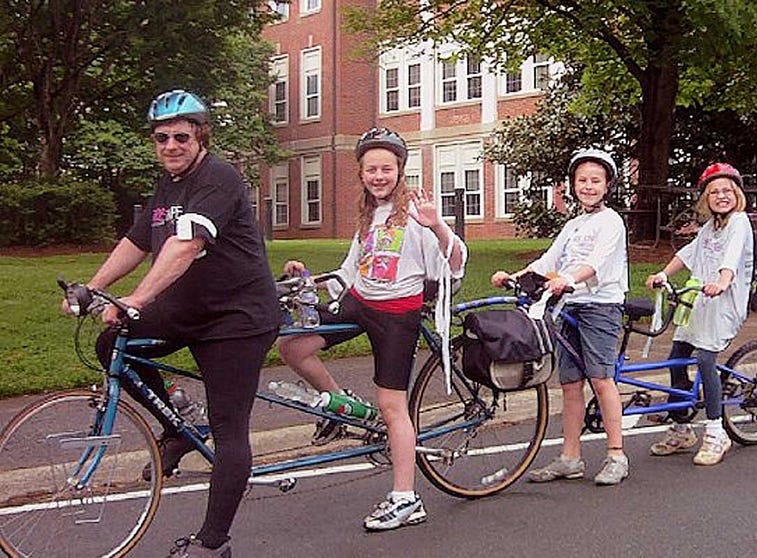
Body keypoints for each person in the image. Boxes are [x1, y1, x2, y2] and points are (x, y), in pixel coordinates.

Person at [65, 89, 280, 557]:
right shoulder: (168, 184)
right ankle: (179, 427)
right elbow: (138, 240)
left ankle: (212, 542)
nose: (170, 146)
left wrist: (138, 297)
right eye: (161, 138)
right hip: (189, 308)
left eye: (180, 136)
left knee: (229, 429)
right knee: (111, 346)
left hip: (237, 317)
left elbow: (186, 245)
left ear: (200, 136)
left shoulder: (218, 178)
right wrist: (92, 288)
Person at [277, 127, 466, 531]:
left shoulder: (417, 212)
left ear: (400, 171)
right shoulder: (367, 215)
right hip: (360, 302)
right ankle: (339, 404)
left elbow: (455, 263)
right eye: (371, 169)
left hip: (398, 314)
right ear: (361, 174)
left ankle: (405, 498)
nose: (378, 176)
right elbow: (349, 274)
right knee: (292, 346)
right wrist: (307, 278)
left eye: (386, 168)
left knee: (391, 406)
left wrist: (437, 227)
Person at [491, 148, 629, 486]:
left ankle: (616, 455)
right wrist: (516, 275)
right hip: (567, 305)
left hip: (600, 305)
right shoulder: (573, 224)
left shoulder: (611, 221)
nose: (588, 186)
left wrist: (569, 279)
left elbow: (596, 261)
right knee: (569, 383)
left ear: (607, 185)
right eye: (582, 180)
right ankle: (571, 457)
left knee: (601, 379)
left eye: (596, 180)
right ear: (573, 185)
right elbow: (549, 260)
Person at [646, 162, 753, 466]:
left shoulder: (739, 222)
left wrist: (722, 281)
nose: (721, 196)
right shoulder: (709, 228)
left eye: (727, 191)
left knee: (706, 360)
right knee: (677, 357)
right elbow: (688, 253)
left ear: (737, 194)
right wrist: (663, 274)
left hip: (724, 303)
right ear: (705, 198)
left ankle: (717, 431)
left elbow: (731, 256)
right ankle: (682, 427)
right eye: (714, 192)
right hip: (700, 302)